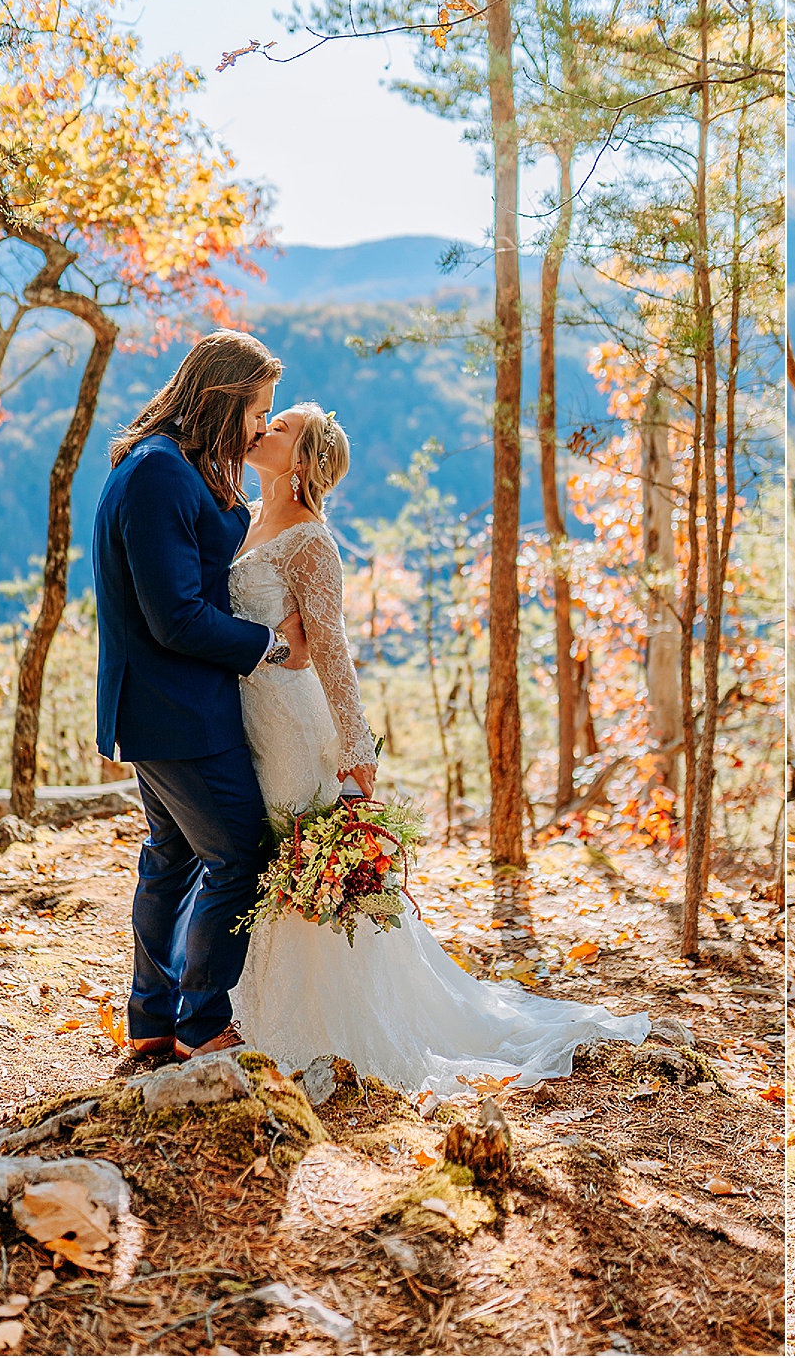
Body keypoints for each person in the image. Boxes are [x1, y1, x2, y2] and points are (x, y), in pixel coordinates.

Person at [226, 402, 649, 1093]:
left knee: (299, 859)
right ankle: (260, 1010)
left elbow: (331, 647)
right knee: (263, 857)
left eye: (281, 428)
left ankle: (329, 1027)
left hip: (295, 724)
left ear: (301, 462)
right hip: (247, 716)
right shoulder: (243, 521)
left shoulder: (310, 541)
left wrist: (357, 746)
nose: (263, 429)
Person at [93, 329, 305, 1071]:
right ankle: (203, 1025)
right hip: (176, 710)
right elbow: (175, 616)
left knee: (175, 855)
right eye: (258, 409)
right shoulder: (157, 474)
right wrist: (271, 646)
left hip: (168, 707)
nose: (260, 425)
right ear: (224, 398)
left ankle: (153, 1021)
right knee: (239, 853)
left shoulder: (173, 464)